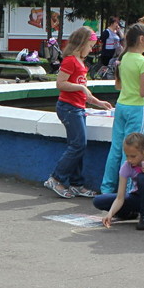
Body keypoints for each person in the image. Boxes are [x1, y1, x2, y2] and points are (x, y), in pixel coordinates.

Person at [44, 27, 113, 199]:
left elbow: (82, 91)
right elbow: (60, 84)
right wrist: (81, 88)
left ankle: (76, 184)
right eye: (90, 46)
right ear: (81, 44)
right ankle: (56, 178)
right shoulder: (70, 61)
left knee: (78, 146)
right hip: (69, 108)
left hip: (78, 108)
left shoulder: (80, 63)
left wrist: (98, 102)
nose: (91, 49)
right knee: (78, 145)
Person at [100, 21, 144, 193]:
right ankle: (127, 190)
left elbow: (119, 86)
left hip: (122, 106)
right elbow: (143, 92)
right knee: (132, 150)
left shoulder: (123, 58)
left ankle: (107, 188)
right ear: (142, 39)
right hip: (137, 108)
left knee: (116, 148)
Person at [95, 132, 144, 230]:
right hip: (138, 198)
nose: (129, 160)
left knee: (143, 177)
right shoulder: (126, 166)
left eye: (133, 156)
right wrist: (110, 214)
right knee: (98, 201)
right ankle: (130, 214)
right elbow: (120, 198)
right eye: (127, 156)